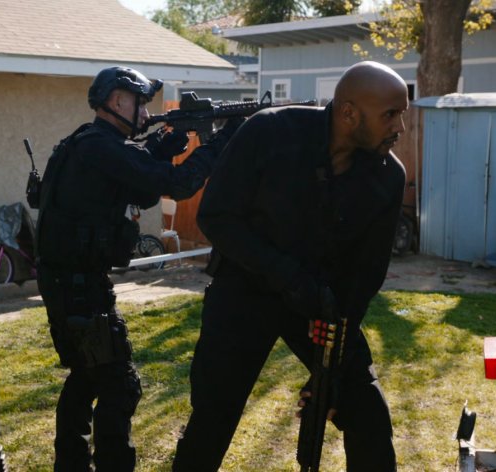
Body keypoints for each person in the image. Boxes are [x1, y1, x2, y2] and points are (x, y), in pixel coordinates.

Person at [172, 61, 408, 471]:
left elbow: (364, 276)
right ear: (349, 113)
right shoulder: (270, 132)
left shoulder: (388, 177)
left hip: (319, 305)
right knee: (213, 416)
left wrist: (331, 368)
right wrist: (286, 275)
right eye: (390, 114)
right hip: (243, 292)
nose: (399, 127)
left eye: (401, 114)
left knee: (366, 409)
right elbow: (216, 217)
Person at [35, 66, 239, 471]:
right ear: (116, 101)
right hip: (79, 286)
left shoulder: (89, 142)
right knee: (119, 384)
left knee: (86, 378)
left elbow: (140, 189)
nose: (146, 113)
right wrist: (220, 144)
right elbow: (178, 184)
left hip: (68, 281)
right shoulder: (102, 147)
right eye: (140, 104)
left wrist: (166, 146)